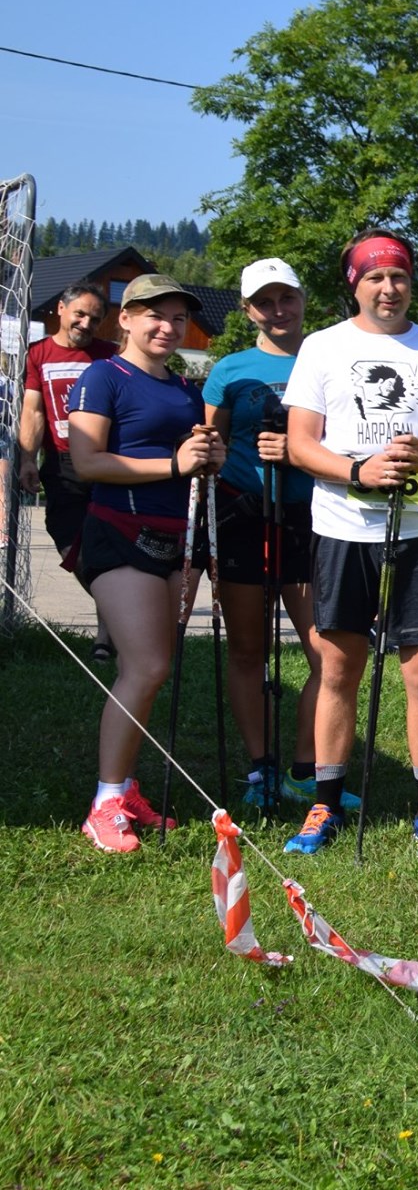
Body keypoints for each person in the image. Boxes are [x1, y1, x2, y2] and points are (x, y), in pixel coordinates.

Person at [280, 228, 418, 858]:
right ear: (355, 285)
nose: (388, 288)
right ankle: (325, 803)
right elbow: (300, 442)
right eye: (375, 277)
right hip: (343, 527)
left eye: (398, 277)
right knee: (337, 666)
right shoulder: (322, 347)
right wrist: (357, 470)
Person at [65, 275, 226, 851]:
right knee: (147, 666)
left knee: (153, 670)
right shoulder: (102, 376)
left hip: (174, 538)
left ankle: (127, 787)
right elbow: (87, 461)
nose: (168, 326)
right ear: (125, 319)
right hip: (115, 533)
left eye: (178, 318)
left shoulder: (185, 387)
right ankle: (104, 802)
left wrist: (209, 457)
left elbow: (187, 457)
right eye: (155, 315)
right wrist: (175, 466)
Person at [201, 258, 352, 810]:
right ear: (248, 311)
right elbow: (212, 443)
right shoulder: (228, 370)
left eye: (286, 297)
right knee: (247, 649)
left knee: (325, 653)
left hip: (317, 520)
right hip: (244, 516)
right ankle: (259, 767)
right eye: (264, 302)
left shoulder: (334, 357)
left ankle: (305, 771)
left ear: (303, 299)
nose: (278, 310)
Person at [18, 284, 117, 655]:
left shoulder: (109, 356)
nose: (86, 322)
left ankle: (107, 635)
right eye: (80, 313)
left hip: (107, 460)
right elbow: (34, 410)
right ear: (61, 309)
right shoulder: (38, 354)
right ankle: (120, 611)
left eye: (95, 318)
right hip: (61, 466)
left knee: (108, 545)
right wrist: (28, 458)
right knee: (69, 543)